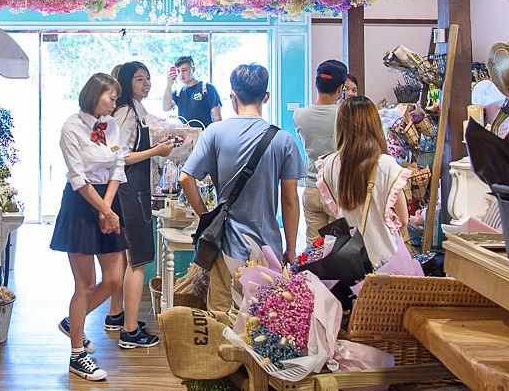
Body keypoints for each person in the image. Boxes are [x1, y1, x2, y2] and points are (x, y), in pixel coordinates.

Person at [179, 64, 303, 313]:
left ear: (232, 96)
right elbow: (289, 200)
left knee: (222, 320)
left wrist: (206, 215)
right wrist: (291, 248)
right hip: (268, 250)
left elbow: (185, 179)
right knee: (262, 325)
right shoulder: (283, 140)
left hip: (225, 248)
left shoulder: (214, 132)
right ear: (265, 97)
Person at [49, 73, 128, 381]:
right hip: (81, 206)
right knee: (85, 284)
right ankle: (77, 355)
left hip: (107, 202)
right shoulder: (71, 127)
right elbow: (78, 177)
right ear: (95, 96)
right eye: (111, 97)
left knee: (113, 280)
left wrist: (108, 209)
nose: (114, 102)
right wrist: (104, 210)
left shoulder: (111, 125)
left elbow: (117, 166)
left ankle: (74, 321)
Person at [106, 61, 174, 349]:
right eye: (139, 79)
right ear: (126, 82)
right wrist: (157, 151)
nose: (146, 84)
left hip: (131, 191)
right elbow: (119, 158)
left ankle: (116, 316)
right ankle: (130, 332)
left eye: (148, 78)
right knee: (139, 260)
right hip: (130, 192)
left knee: (124, 257)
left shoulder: (136, 110)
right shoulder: (126, 113)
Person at [316, 96, 412, 268]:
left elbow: (338, 210)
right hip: (384, 259)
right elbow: (403, 219)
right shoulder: (385, 164)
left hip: (349, 261)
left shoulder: (328, 164)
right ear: (374, 124)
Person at [294, 59, 347, 240]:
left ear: (316, 84)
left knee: (313, 248)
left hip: (311, 187)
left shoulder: (300, 115)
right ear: (340, 89)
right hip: (337, 188)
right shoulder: (346, 115)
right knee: (337, 248)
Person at [162, 55, 222, 128]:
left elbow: (217, 118)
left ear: (193, 69)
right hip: (185, 136)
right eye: (178, 71)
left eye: (184, 70)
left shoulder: (207, 88)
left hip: (204, 135)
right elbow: (166, 108)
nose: (181, 74)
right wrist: (169, 85)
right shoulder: (178, 92)